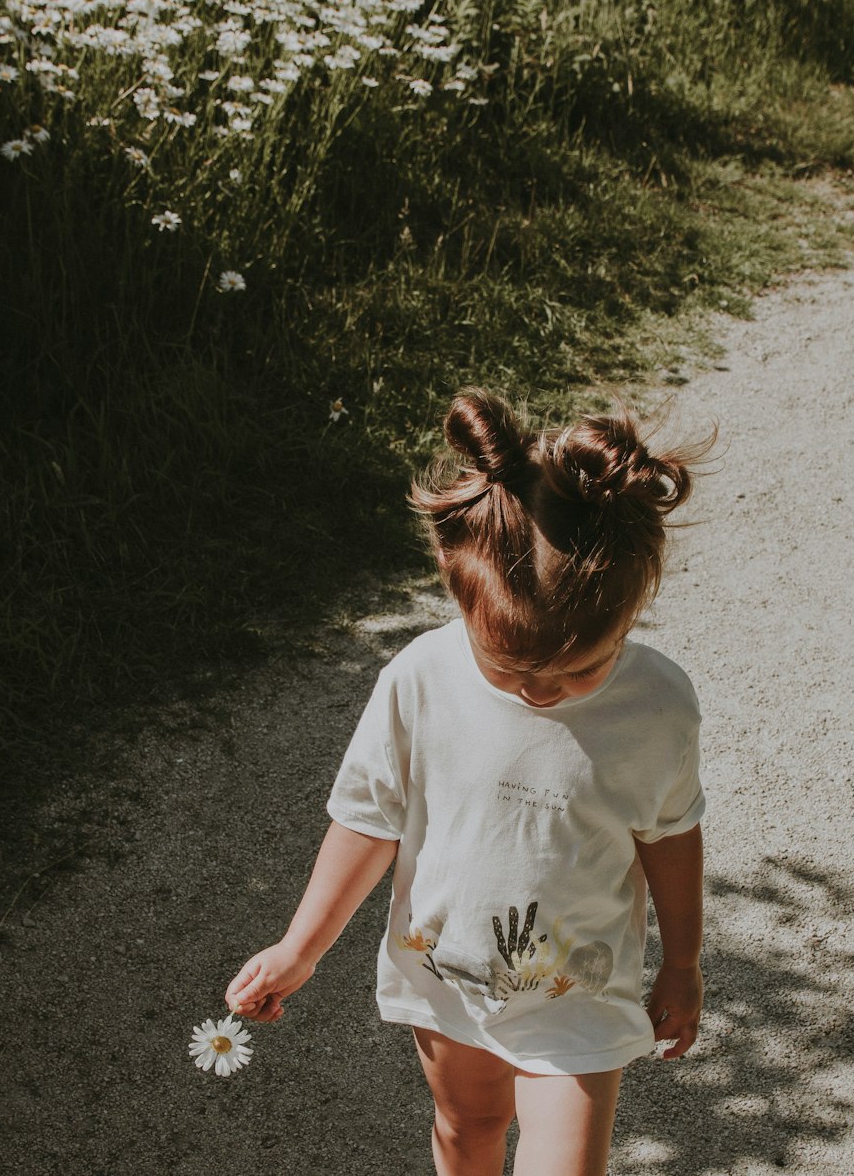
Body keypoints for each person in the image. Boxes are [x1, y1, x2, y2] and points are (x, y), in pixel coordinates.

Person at [226, 388, 712, 1176]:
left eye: (576, 669)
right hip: (447, 976)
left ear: (631, 611)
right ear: (459, 596)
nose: (539, 693)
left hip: (578, 995)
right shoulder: (421, 677)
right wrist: (299, 948)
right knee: (467, 1130)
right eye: (510, 668)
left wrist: (684, 961)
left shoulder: (656, 705)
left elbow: (671, 833)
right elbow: (367, 820)